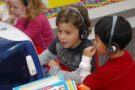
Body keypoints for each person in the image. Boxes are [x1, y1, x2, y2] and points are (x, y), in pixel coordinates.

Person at [39, 5, 96, 84]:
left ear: (82, 32)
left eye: (67, 32)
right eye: (59, 31)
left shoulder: (87, 51)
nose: (62, 37)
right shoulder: (59, 41)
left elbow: (79, 78)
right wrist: (31, 64)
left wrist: (56, 71)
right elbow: (47, 55)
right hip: (65, 75)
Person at [78, 16, 135, 90]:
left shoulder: (108, 72)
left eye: (97, 41)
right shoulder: (126, 55)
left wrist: (86, 59)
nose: (94, 42)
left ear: (111, 48)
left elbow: (85, 85)